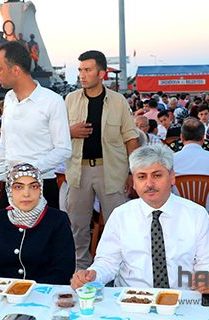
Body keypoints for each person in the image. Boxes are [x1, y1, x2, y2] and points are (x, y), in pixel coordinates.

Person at [70, 145, 209, 290]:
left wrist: (206, 280)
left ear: (172, 177)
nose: (149, 184)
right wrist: (92, 275)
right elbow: (107, 262)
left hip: (183, 298)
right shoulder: (121, 215)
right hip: (133, 300)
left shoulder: (196, 214)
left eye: (157, 175)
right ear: (134, 183)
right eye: (141, 177)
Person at [65, 50, 139, 269]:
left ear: (102, 73)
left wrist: (131, 172)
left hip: (112, 170)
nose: (82, 75)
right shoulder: (70, 100)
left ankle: (120, 269)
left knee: (117, 224)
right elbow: (54, 134)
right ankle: (81, 269)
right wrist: (70, 131)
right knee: (77, 225)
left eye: (87, 70)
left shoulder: (118, 101)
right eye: (80, 70)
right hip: (79, 171)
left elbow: (131, 138)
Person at [0, 41, 72, 209]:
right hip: (10, 185)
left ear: (16, 70)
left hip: (41, 186)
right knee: (7, 235)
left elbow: (63, 149)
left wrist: (27, 171)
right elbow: (4, 144)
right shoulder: (9, 99)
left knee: (42, 235)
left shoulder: (52, 101)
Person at [0, 163, 75, 284]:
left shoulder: (57, 220)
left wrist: (29, 290)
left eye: (33, 187)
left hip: (44, 293)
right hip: (2, 294)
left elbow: (63, 269)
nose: (26, 194)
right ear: (9, 190)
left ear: (41, 190)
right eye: (18, 187)